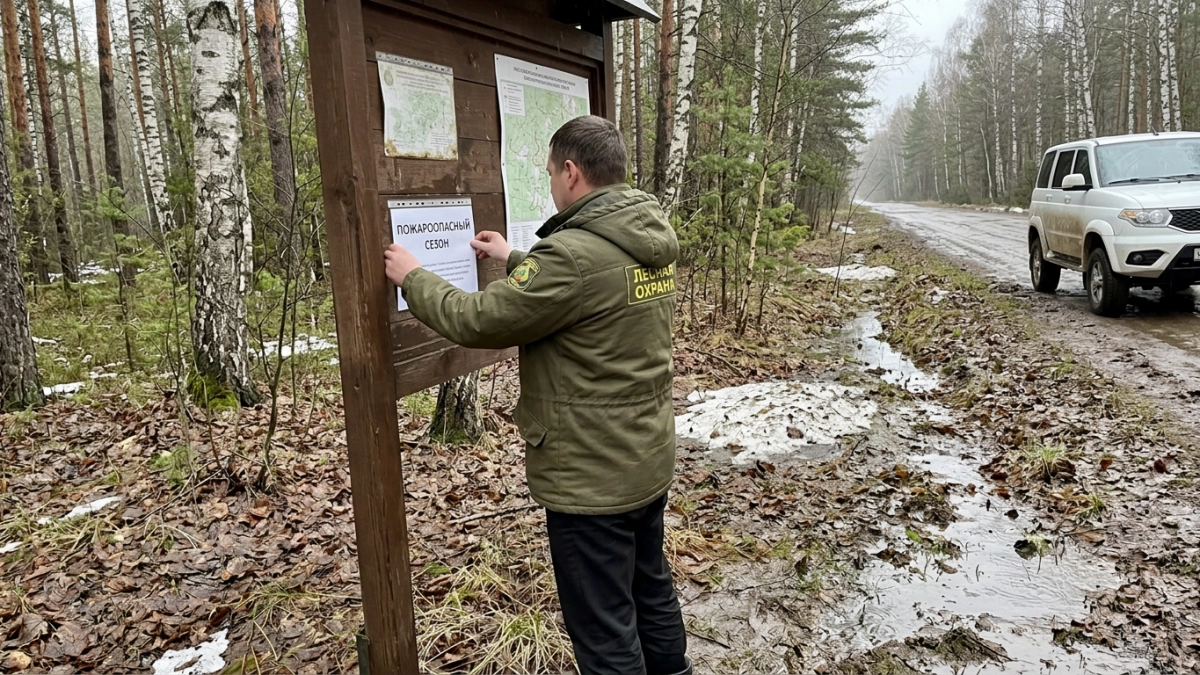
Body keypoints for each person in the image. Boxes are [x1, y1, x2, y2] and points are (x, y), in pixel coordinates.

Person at [383, 115, 690, 675]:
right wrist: (515, 258)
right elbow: (591, 287)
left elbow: (478, 319)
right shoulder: (644, 235)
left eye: (551, 172)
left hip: (591, 478)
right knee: (651, 593)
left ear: (571, 172)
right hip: (644, 459)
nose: (551, 183)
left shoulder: (572, 255)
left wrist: (413, 276)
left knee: (605, 630)